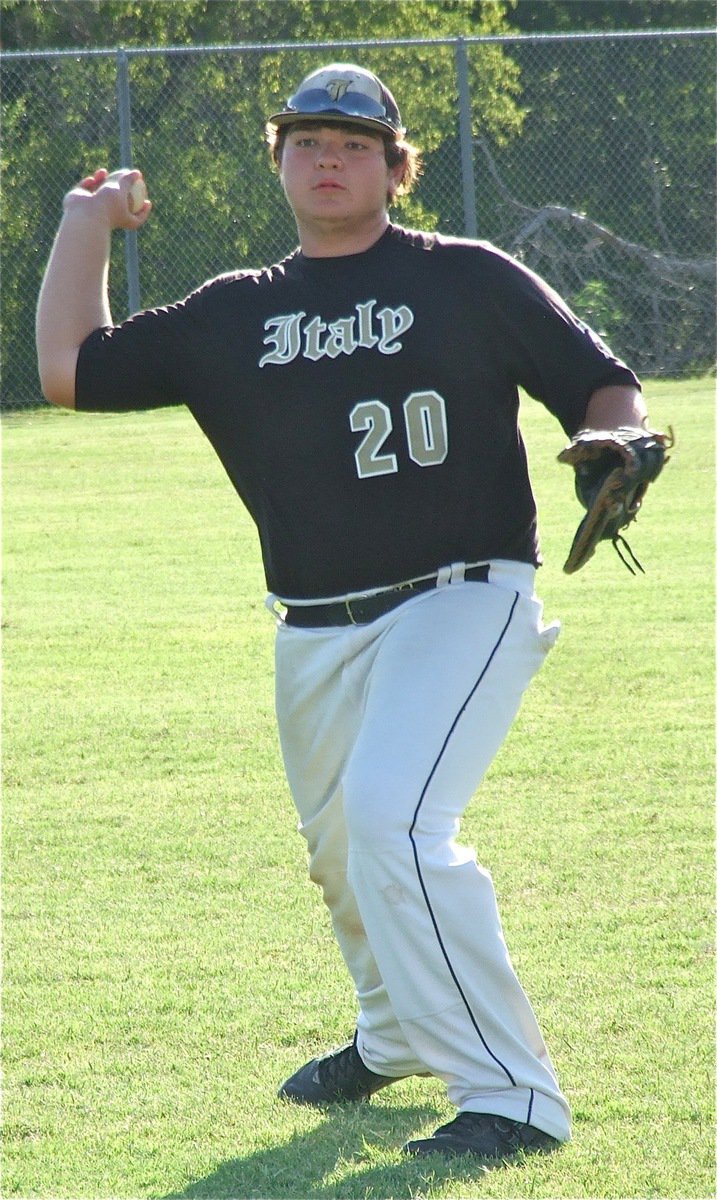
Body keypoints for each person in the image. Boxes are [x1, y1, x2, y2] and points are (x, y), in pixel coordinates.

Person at [36, 63, 646, 1165]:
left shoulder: (468, 278)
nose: (328, 157)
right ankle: (395, 1032)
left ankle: (515, 1095)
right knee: (341, 855)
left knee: (393, 824)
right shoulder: (235, 311)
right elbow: (68, 368)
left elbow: (602, 382)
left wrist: (622, 439)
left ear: (396, 168)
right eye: (308, 139)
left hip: (463, 596)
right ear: (277, 161)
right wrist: (85, 224)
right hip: (313, 625)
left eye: (354, 143)